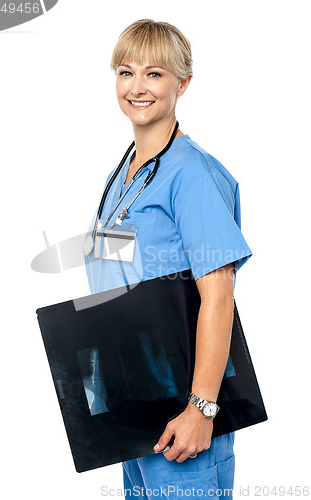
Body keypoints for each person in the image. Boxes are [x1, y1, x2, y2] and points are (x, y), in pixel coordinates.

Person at [84, 19, 253, 500]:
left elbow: (218, 298)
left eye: (155, 74)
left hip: (181, 405)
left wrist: (202, 410)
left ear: (184, 83)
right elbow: (115, 278)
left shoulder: (192, 173)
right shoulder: (126, 174)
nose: (137, 87)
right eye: (125, 71)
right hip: (134, 401)